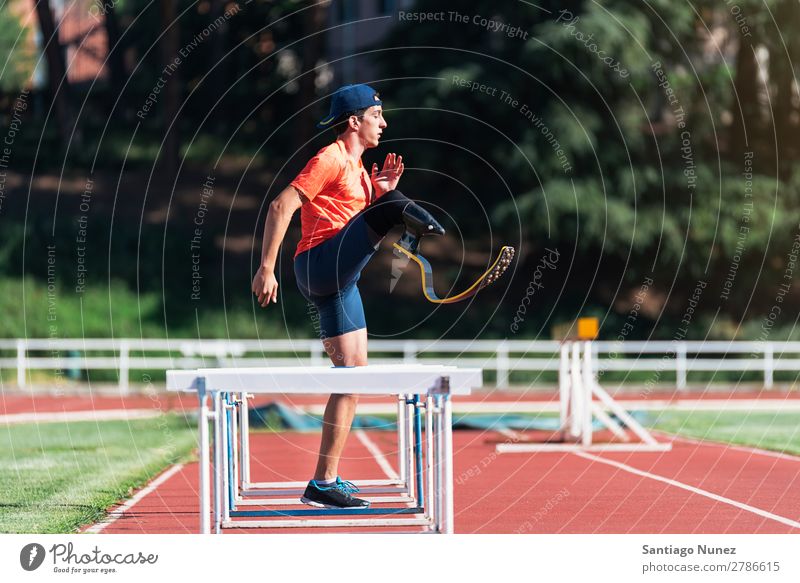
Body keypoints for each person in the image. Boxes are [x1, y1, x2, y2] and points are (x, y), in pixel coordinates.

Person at [251, 84, 444, 508]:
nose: (384, 123)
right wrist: (266, 268)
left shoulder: (357, 169)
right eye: (378, 115)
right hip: (319, 265)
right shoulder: (331, 157)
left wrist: (375, 193)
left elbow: (348, 221)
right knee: (393, 207)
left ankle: (323, 481)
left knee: (353, 377)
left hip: (341, 281)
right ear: (355, 121)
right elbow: (281, 206)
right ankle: (423, 227)